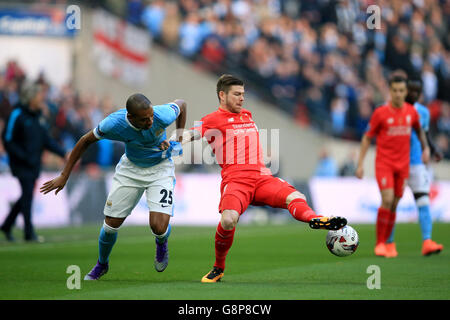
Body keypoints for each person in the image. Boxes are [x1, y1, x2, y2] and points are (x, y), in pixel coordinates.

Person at [174, 74, 347, 283]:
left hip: (263, 178)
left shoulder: (247, 115)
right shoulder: (213, 120)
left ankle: (316, 219)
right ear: (222, 95)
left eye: (243, 94)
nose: (241, 98)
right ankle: (218, 267)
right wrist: (170, 142)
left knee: (296, 196)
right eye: (237, 94)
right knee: (228, 220)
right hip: (236, 181)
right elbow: (191, 134)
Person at [40, 93, 187, 280]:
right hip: (131, 169)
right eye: (144, 119)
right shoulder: (113, 124)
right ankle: (102, 264)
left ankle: (161, 242)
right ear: (131, 117)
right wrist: (64, 175)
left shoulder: (161, 114)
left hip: (160, 169)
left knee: (158, 226)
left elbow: (181, 104)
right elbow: (85, 141)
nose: (151, 121)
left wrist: (179, 138)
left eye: (151, 116)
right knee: (110, 226)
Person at [355, 74, 430, 257]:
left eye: (401, 91)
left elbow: (420, 131)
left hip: (403, 166)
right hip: (385, 164)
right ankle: (380, 243)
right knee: (387, 200)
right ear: (389, 91)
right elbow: (367, 138)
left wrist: (426, 148)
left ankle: (390, 244)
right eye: (395, 90)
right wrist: (360, 164)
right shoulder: (380, 113)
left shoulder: (411, 113)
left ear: (406, 92)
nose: (398, 94)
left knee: (395, 203)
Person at [1, 83, 66, 242]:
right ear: (30, 97)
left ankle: (7, 225)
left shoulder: (38, 116)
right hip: (21, 163)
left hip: (34, 163)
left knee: (26, 195)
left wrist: (64, 153)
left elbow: (46, 140)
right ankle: (29, 232)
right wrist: (22, 156)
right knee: (27, 194)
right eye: (38, 95)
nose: (41, 98)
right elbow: (8, 139)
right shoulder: (17, 114)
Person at [386, 79, 444, 257]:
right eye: (409, 91)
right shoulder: (393, 110)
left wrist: (432, 149)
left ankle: (427, 241)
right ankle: (389, 244)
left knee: (423, 201)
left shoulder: (423, 112)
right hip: (397, 163)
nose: (412, 94)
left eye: (415, 92)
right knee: (392, 204)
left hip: (417, 164)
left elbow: (423, 133)